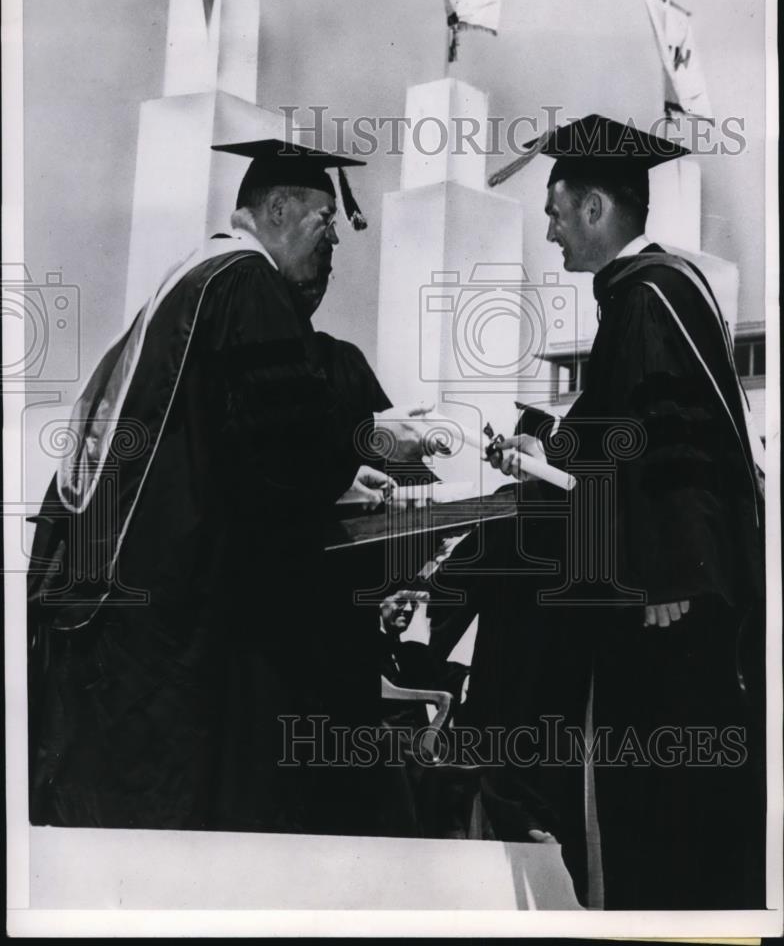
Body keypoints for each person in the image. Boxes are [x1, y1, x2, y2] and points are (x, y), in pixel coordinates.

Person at [26, 138, 427, 836]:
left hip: (115, 597)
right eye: (323, 221)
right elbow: (285, 447)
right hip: (173, 611)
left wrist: (335, 467)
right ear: (276, 209)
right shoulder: (246, 282)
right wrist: (369, 442)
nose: (333, 239)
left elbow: (235, 441)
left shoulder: (183, 284)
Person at [460, 115, 766, 908]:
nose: (554, 235)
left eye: (558, 214)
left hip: (669, 602)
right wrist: (539, 455)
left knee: (664, 807)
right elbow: (615, 442)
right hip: (672, 590)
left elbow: (676, 445)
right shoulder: (655, 294)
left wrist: (673, 571)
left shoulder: (648, 300)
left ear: (596, 209)